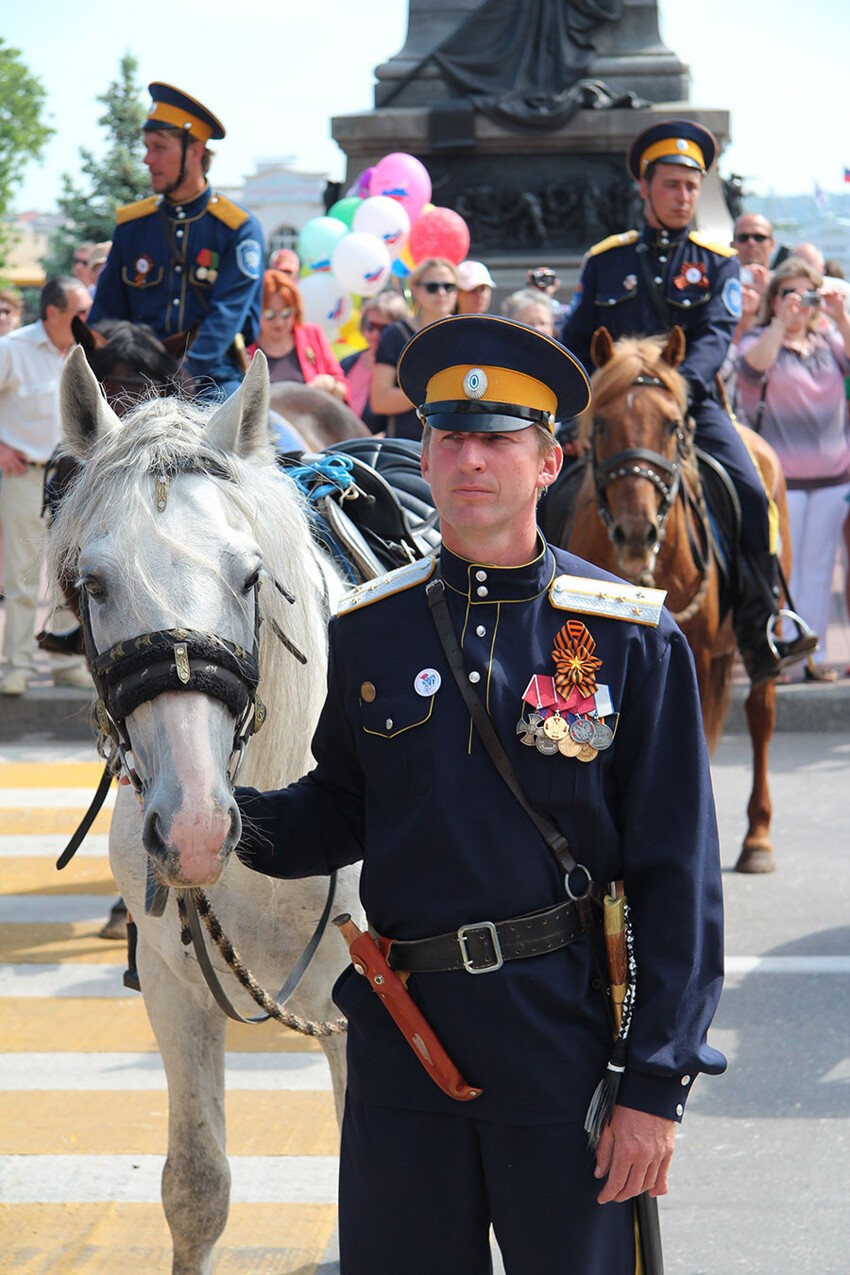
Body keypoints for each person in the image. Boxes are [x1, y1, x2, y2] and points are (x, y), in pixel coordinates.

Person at [233, 313, 726, 1274]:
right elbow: (339, 807)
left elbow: (679, 879)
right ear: (424, 448)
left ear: (549, 461)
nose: (469, 460)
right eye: (450, 437)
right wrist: (225, 818)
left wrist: (655, 1089)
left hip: (563, 1048)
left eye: (497, 440)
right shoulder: (372, 630)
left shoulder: (630, 639)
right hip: (406, 1045)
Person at [561, 117, 817, 684]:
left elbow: (712, 340)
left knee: (752, 494)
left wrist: (671, 390)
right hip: (611, 412)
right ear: (645, 188)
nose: (683, 197)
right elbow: (577, 340)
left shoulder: (716, 262)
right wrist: (572, 412)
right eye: (672, 185)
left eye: (692, 187)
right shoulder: (606, 260)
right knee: (545, 492)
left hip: (691, 404)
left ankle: (760, 627)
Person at [90, 82, 264, 400]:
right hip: (131, 377)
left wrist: (180, 376)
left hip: (209, 376)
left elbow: (225, 318)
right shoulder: (132, 226)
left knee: (238, 447)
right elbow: (105, 313)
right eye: (146, 147)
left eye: (158, 147)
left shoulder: (237, 228)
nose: (147, 159)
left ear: (195, 151)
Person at [736, 259, 850, 681]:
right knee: (781, 569)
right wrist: (780, 325)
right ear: (774, 300)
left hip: (832, 479)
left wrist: (840, 315)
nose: (800, 304)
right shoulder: (760, 338)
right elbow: (751, 369)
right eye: (790, 294)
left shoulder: (830, 341)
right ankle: (781, 655)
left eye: (808, 294)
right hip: (782, 482)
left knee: (817, 571)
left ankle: (811, 658)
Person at [0, 276, 93, 696]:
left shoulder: (84, 351)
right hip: (23, 474)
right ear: (53, 312)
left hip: (72, 477)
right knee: (21, 577)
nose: (88, 319)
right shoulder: (12, 349)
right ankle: (17, 665)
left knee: (70, 574)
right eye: (80, 311)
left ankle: (62, 662)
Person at [370, 257, 458, 439]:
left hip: (456, 443)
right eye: (432, 287)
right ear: (416, 290)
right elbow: (380, 401)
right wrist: (432, 391)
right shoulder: (396, 335)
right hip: (407, 447)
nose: (441, 293)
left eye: (449, 286)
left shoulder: (467, 333)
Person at [247, 270, 349, 401]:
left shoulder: (313, 334)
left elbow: (344, 388)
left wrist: (330, 384)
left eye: (286, 313)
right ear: (256, 312)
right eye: (269, 315)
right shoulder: (244, 346)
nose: (279, 322)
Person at [340, 291, 411, 431]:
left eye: (384, 328)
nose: (374, 333)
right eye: (370, 325)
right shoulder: (348, 363)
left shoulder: (405, 369)